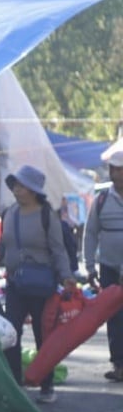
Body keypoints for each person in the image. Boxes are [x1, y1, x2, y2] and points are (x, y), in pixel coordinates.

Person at [1, 165, 78, 404]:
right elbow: (3, 248)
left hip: (42, 285)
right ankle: (16, 385)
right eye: (14, 184)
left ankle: (47, 385)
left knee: (42, 335)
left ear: (33, 190)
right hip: (14, 283)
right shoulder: (9, 212)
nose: (16, 189)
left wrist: (67, 276)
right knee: (11, 333)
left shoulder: (47, 215)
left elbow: (58, 249)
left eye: (21, 185)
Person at [85, 149, 123, 382]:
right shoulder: (100, 201)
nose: (117, 174)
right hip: (108, 268)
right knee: (114, 317)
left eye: (120, 169)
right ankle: (119, 364)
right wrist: (89, 268)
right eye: (113, 170)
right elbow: (90, 235)